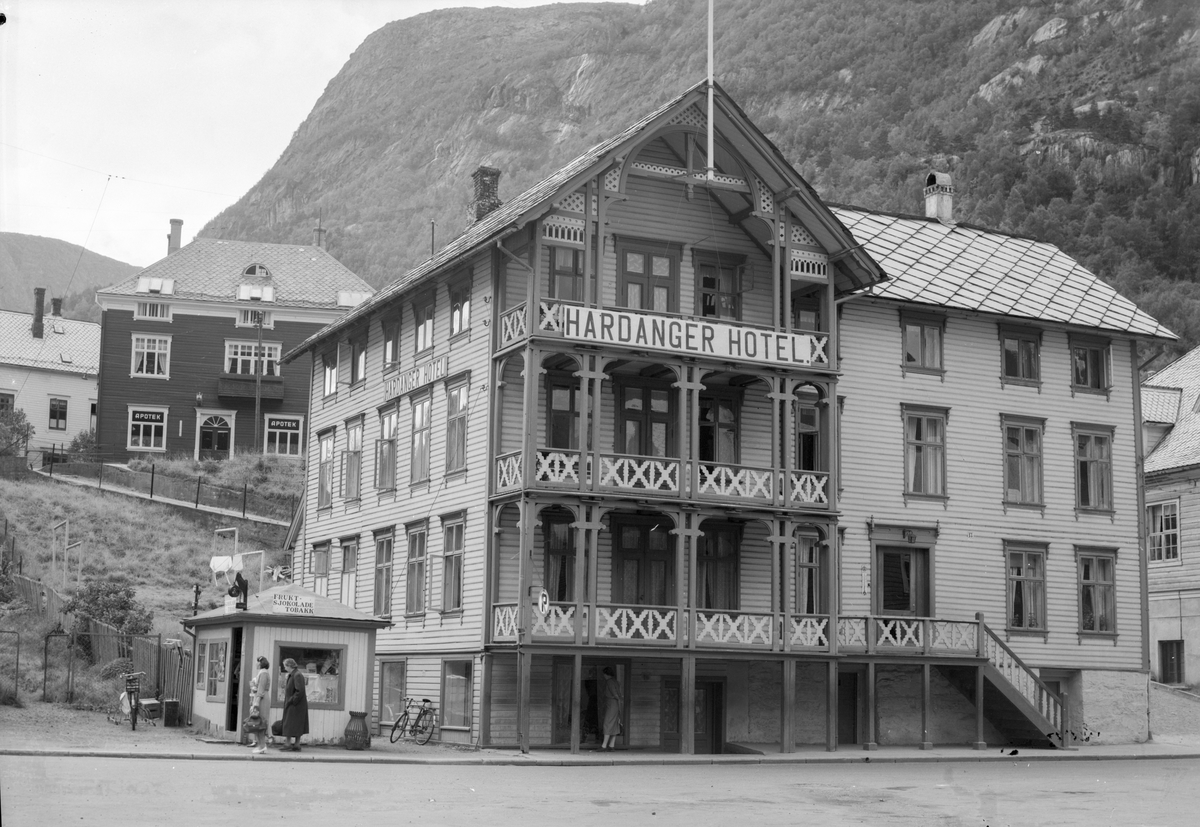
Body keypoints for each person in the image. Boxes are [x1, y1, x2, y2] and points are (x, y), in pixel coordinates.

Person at [280, 657, 309, 752]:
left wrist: (291, 700)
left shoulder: (297, 675)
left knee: (292, 723)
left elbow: (299, 691)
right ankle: (295, 744)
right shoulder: (293, 674)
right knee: (293, 723)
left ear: (289, 666)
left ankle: (290, 744)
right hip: (295, 703)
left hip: (296, 704)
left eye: (285, 666)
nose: (284, 668)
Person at [249, 656, 271, 754]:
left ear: (261, 663)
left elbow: (261, 689)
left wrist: (257, 701)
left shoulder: (263, 673)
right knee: (258, 721)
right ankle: (261, 745)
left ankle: (262, 745)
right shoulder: (262, 673)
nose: (256, 664)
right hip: (261, 696)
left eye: (257, 662)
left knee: (260, 721)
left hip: (261, 698)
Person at [601, 666, 622, 751]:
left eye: (604, 674)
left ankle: (604, 745)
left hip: (611, 703)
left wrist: (616, 697)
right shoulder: (615, 681)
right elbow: (618, 693)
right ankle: (611, 745)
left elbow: (614, 693)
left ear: (606, 674)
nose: (603, 675)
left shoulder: (609, 681)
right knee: (614, 724)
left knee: (607, 723)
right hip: (616, 704)